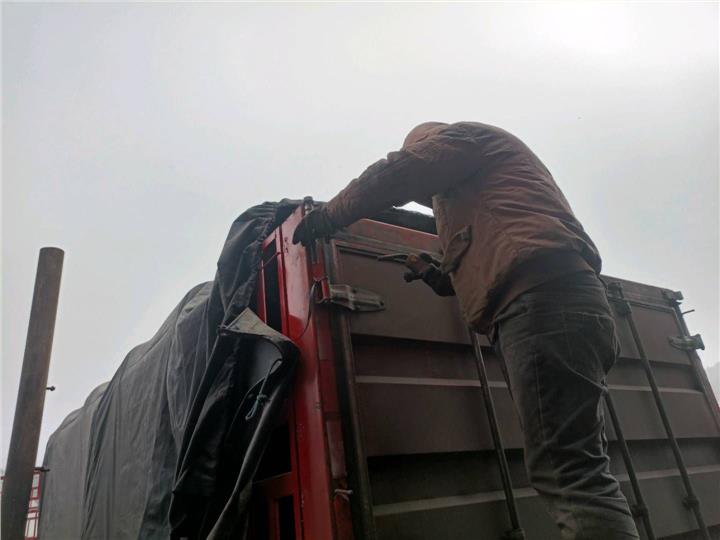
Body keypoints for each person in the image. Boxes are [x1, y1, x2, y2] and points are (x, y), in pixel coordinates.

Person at [291, 121, 640, 540]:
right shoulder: (490, 193)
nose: (428, 200)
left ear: (428, 142)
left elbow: (400, 171)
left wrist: (329, 215)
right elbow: (493, 262)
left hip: (542, 304)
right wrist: (438, 276)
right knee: (579, 465)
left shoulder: (466, 138)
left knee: (570, 473)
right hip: (563, 303)